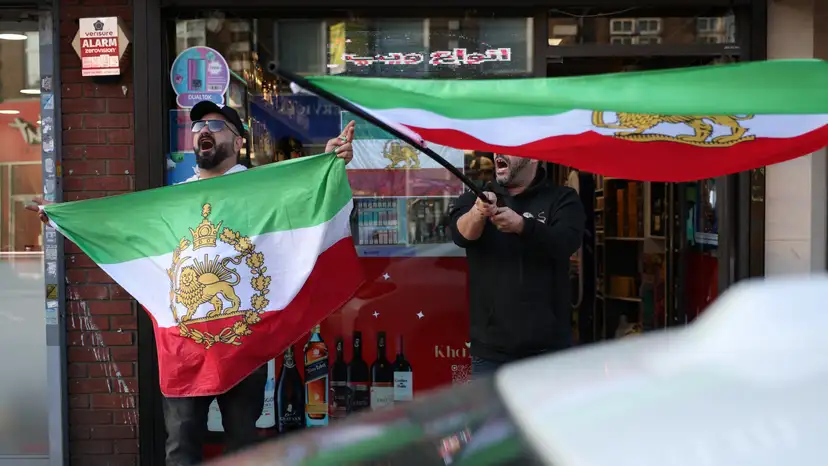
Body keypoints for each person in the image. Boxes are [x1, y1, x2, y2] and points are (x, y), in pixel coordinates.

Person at [28, 100, 355, 465]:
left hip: (243, 340)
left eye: (215, 126)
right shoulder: (175, 200)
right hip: (185, 345)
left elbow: (306, 195)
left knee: (244, 445)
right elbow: (119, 226)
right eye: (198, 126)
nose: (203, 131)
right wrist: (64, 217)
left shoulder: (260, 190)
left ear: (238, 141)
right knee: (181, 445)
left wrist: (329, 162)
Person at [449, 153, 585, 380]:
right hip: (490, 354)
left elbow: (566, 242)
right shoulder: (475, 198)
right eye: (496, 147)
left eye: (508, 147)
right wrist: (478, 212)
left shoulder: (562, 198)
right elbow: (460, 235)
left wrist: (522, 226)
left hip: (549, 353)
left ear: (533, 156)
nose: (498, 153)